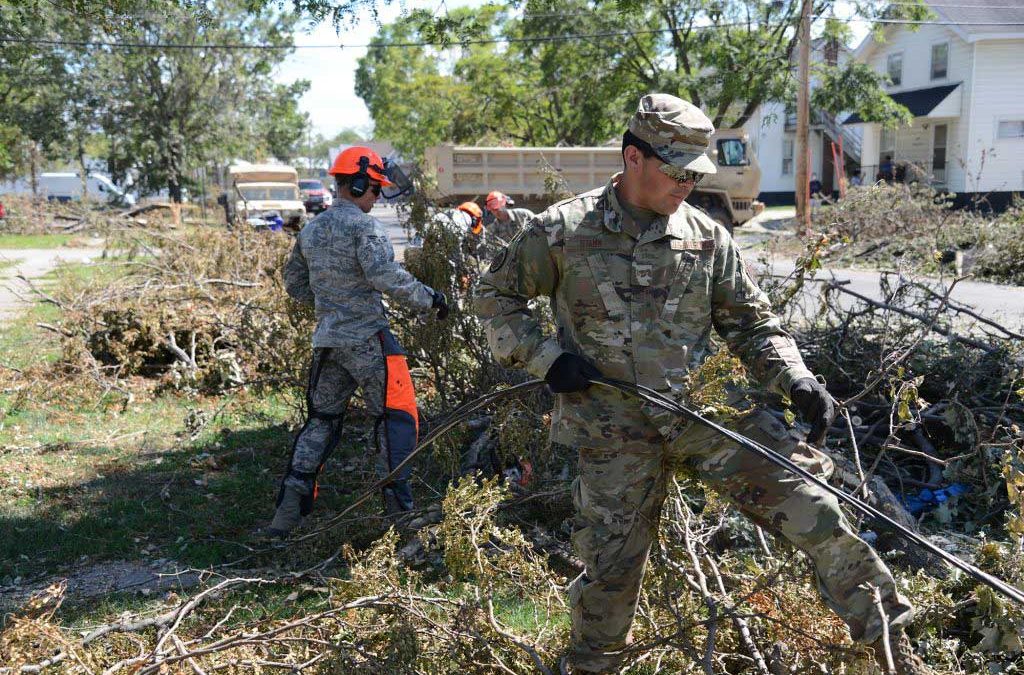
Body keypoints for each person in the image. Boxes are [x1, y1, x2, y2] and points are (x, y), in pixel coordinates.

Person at [475, 94, 930, 675]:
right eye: (675, 171)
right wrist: (545, 358)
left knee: (817, 512)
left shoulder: (707, 236)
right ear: (633, 157)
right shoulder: (564, 230)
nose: (687, 183)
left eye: (696, 173)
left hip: (706, 416)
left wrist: (795, 377)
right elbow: (493, 299)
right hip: (611, 432)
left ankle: (897, 656)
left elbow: (752, 322)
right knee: (611, 579)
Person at [265, 146, 450, 538]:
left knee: (320, 424)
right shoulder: (364, 228)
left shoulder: (311, 230)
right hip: (369, 341)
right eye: (375, 190)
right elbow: (386, 276)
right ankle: (401, 521)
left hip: (328, 345)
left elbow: (295, 284)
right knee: (397, 422)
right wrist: (431, 299)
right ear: (360, 183)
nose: (377, 197)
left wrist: (333, 302)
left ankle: (288, 511)